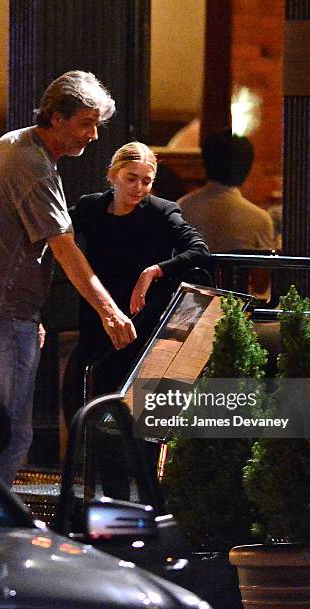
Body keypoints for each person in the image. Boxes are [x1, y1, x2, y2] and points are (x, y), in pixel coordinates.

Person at [0, 71, 137, 487]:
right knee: (8, 437)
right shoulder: (34, 167)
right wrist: (110, 312)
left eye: (96, 124)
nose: (93, 136)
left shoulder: (10, 142)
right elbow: (64, 247)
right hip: (0, 313)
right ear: (55, 117)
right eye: (85, 123)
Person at [67, 141, 210, 415]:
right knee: (87, 393)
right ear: (113, 175)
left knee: (131, 400)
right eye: (131, 178)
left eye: (146, 181)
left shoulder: (160, 211)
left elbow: (199, 251)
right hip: (98, 313)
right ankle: (91, 454)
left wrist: (154, 270)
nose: (139, 188)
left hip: (141, 318)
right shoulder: (92, 208)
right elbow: (56, 233)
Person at [178, 129, 274, 253]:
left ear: (205, 163)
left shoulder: (182, 208)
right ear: (247, 168)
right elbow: (263, 270)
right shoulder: (259, 219)